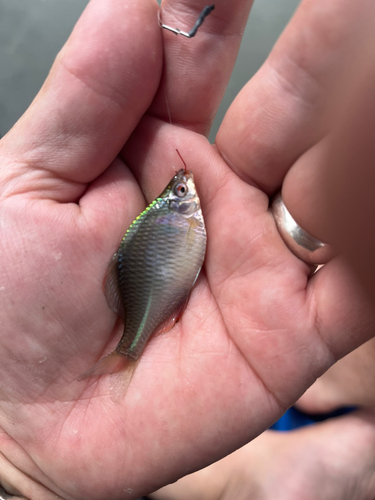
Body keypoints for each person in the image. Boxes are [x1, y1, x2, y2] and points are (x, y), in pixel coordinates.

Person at [1, 0, 375, 499]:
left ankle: (286, 443)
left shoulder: (179, 217)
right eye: (179, 192)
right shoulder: (181, 218)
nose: (186, 190)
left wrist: (20, 476)